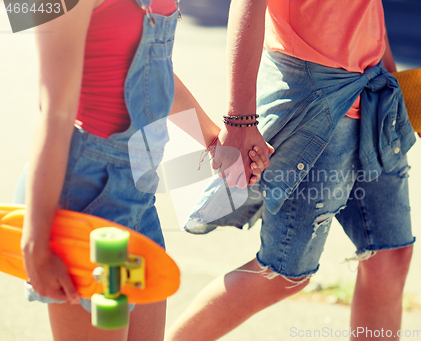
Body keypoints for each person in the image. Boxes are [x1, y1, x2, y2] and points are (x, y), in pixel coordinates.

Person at [14, 0, 269, 340]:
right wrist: (36, 241)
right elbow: (55, 113)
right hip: (86, 195)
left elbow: (156, 70)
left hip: (139, 194)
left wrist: (213, 140)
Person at [166, 0, 417, 340]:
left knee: (391, 253)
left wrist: (399, 82)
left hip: (374, 95)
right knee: (283, 273)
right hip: (314, 101)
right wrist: (240, 119)